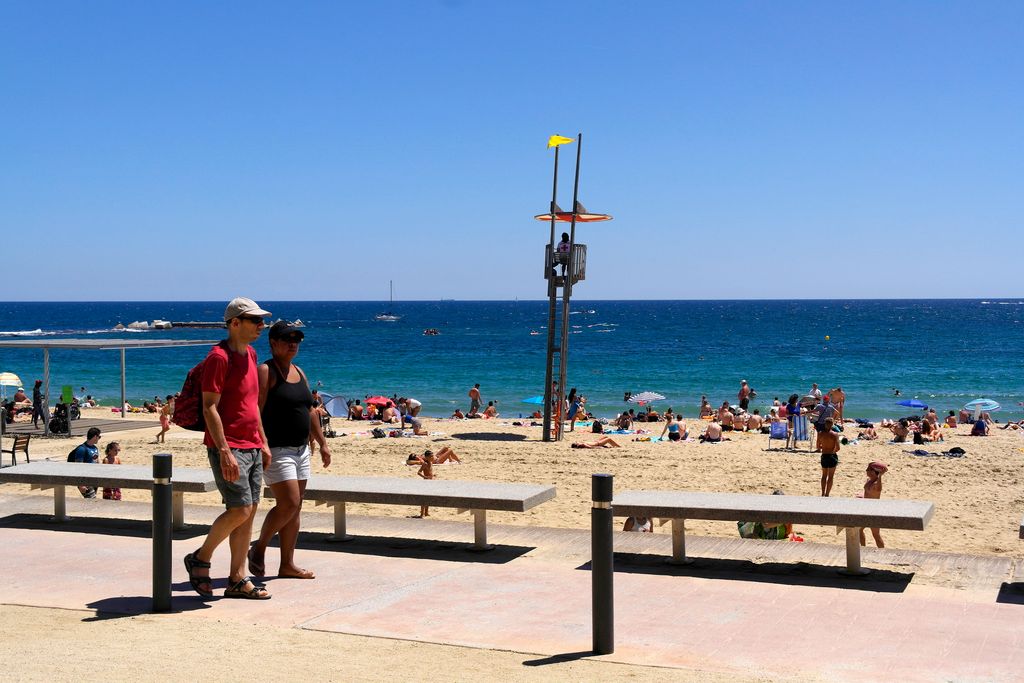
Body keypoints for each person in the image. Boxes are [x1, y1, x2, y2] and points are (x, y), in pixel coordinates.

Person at [183, 297, 273, 601]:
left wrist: (263, 441)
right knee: (240, 509)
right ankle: (201, 556)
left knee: (249, 512)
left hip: (251, 444)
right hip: (229, 446)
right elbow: (210, 407)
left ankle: (237, 578)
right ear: (235, 323)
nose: (262, 325)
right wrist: (224, 450)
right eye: (255, 321)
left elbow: (252, 405)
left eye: (262, 320)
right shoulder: (218, 358)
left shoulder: (250, 353)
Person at [249, 321, 332, 582]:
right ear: (273, 343)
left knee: (295, 509)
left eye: (296, 339)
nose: (293, 343)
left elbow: (309, 411)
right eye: (287, 339)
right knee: (289, 503)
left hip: (301, 449)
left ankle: (287, 564)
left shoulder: (300, 371)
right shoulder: (266, 370)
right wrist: (261, 443)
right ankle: (259, 547)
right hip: (276, 449)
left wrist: (323, 443)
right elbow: (256, 410)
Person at [67, 426, 102, 498]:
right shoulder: (81, 449)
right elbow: (78, 467)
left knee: (92, 500)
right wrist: (80, 484)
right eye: (99, 436)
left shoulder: (95, 448)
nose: (99, 439)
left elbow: (98, 462)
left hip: (94, 478)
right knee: (92, 499)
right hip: (85, 480)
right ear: (95, 436)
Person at [859, 462, 887, 547]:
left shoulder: (876, 484)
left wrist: (880, 476)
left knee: (876, 535)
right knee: (858, 530)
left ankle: (882, 554)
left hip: (873, 512)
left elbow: (879, 489)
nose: (866, 470)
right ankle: (863, 549)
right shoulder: (869, 481)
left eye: (868, 469)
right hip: (865, 510)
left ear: (874, 471)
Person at [816, 418, 840, 497]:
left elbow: (818, 447)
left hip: (824, 455)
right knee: (831, 476)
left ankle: (822, 493)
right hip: (832, 456)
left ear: (825, 424)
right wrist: (833, 451)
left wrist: (824, 448)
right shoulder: (834, 434)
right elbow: (838, 448)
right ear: (832, 424)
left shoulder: (820, 433)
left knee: (824, 475)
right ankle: (827, 494)